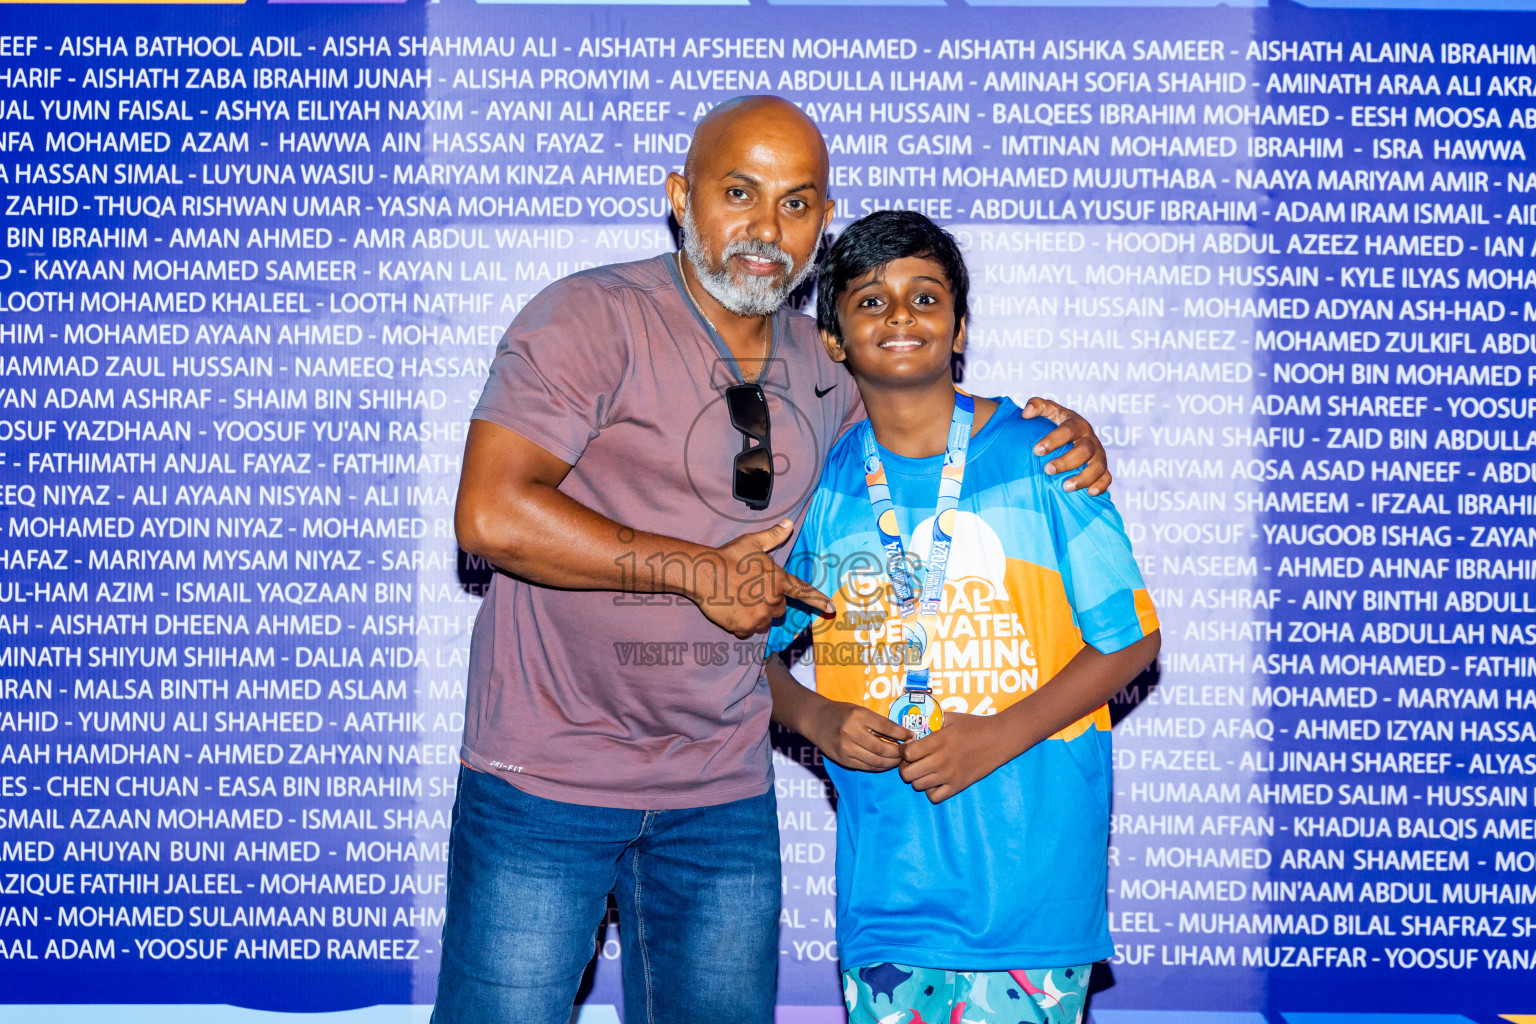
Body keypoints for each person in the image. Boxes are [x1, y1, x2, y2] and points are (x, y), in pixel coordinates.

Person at [437, 97, 1115, 1024]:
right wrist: (695, 568)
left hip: (722, 791)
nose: (767, 230)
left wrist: (1056, 433)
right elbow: (489, 513)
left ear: (822, 221)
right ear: (681, 197)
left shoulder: (833, 358)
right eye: (739, 193)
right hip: (545, 781)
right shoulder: (590, 317)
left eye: (796, 204)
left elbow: (939, 430)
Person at [766, 209, 1161, 1024]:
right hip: (889, 892)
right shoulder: (824, 486)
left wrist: (996, 735)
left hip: (1031, 895)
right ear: (835, 340)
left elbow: (1131, 639)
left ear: (960, 328)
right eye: (870, 301)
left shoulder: (1039, 454)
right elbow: (753, 656)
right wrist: (815, 713)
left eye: (925, 297)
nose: (900, 317)